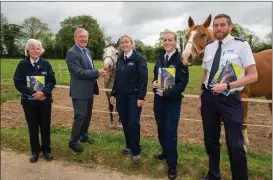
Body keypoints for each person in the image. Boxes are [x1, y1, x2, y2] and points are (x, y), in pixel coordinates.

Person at [197, 14, 258, 180]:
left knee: (235, 144)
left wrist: (227, 85)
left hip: (230, 99)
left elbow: (253, 76)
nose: (218, 28)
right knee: (210, 141)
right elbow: (206, 75)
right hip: (209, 99)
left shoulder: (241, 45)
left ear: (230, 26)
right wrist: (200, 98)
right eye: (215, 25)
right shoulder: (209, 47)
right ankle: (213, 175)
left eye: (222, 25)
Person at [152, 31, 189, 180]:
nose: (167, 42)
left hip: (172, 102)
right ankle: (165, 152)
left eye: (170, 40)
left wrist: (166, 93)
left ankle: (172, 165)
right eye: (165, 40)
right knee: (161, 128)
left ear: (175, 42)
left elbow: (182, 83)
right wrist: (154, 83)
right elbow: (156, 76)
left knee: (171, 132)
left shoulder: (181, 59)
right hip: (158, 101)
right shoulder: (160, 57)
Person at [66, 28, 108, 152]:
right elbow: (79, 73)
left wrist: (98, 72)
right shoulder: (72, 53)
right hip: (79, 91)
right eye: (81, 37)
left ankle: (84, 136)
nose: (83, 39)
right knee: (80, 116)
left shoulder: (87, 51)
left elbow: (90, 68)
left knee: (87, 115)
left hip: (89, 89)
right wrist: (97, 72)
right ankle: (73, 141)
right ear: (75, 38)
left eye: (85, 37)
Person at [14, 38, 56, 163]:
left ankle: (46, 150)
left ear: (41, 50)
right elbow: (18, 83)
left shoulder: (46, 64)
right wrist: (33, 93)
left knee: (45, 127)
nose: (36, 51)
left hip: (44, 102)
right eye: (33, 48)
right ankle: (35, 151)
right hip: (29, 103)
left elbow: (52, 81)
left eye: (38, 48)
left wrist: (43, 92)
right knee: (32, 127)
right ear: (28, 50)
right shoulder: (22, 65)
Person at [110, 35, 148, 164]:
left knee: (133, 123)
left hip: (134, 97)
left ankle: (136, 151)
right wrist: (113, 94)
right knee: (125, 122)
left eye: (127, 42)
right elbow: (117, 78)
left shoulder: (139, 58)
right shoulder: (120, 58)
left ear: (132, 44)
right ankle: (129, 145)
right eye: (122, 43)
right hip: (121, 96)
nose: (124, 44)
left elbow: (143, 79)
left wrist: (141, 97)